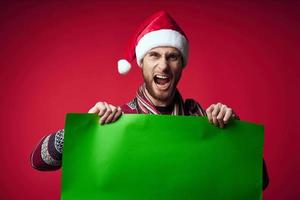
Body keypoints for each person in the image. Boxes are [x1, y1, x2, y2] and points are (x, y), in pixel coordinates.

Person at [30, 11, 269, 190]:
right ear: (141, 63)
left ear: (181, 65)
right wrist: (83, 131)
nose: (163, 65)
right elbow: (38, 160)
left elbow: (260, 182)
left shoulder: (204, 122)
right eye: (154, 55)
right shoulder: (116, 121)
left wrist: (235, 136)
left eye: (172, 56)